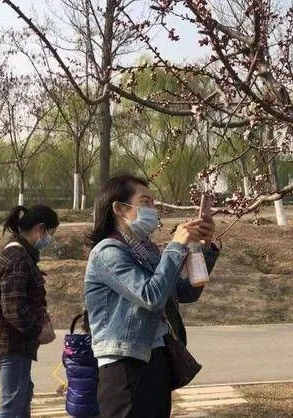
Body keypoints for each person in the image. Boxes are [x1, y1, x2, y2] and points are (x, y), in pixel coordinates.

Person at [84, 173, 217, 418]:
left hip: (155, 357)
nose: (153, 210)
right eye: (145, 202)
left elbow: (183, 292)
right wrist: (176, 246)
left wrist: (204, 248)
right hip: (125, 364)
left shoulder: (147, 251)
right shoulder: (108, 252)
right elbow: (150, 296)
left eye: (154, 203)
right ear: (120, 208)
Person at [0, 205, 60, 418]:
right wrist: (37, 330)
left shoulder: (20, 253)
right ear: (40, 228)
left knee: (22, 395)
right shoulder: (18, 258)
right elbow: (13, 309)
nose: (49, 239)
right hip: (11, 342)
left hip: (16, 342)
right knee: (12, 402)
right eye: (51, 233)